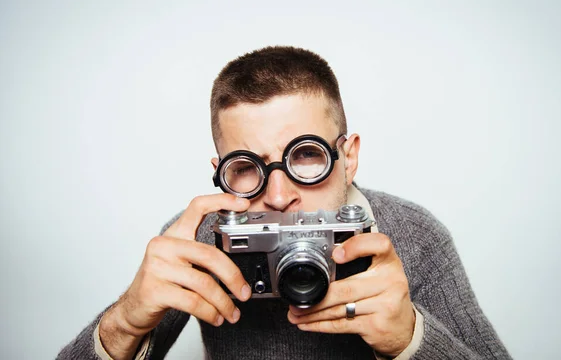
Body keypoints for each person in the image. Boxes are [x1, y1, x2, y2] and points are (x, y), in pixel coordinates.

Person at [58, 46, 511, 359]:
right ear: (222, 170)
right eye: (247, 167)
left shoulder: (413, 235)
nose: (278, 197)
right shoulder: (200, 238)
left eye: (307, 156)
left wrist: (410, 341)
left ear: (348, 157)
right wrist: (126, 322)